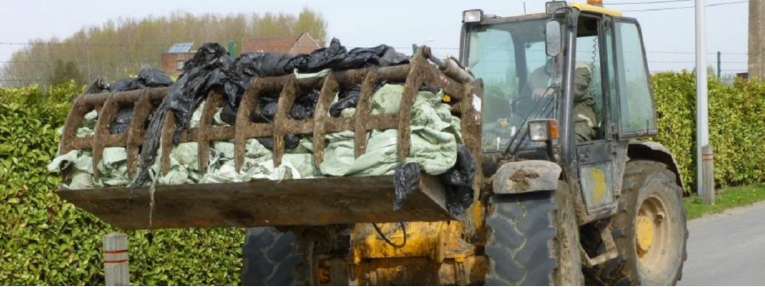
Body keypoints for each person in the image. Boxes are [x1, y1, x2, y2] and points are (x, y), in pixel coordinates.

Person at [520, 58, 597, 142]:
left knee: (567, 145)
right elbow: (523, 105)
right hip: (541, 128)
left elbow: (574, 89)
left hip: (577, 125)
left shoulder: (580, 69)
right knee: (518, 142)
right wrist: (515, 125)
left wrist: (552, 90)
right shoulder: (535, 75)